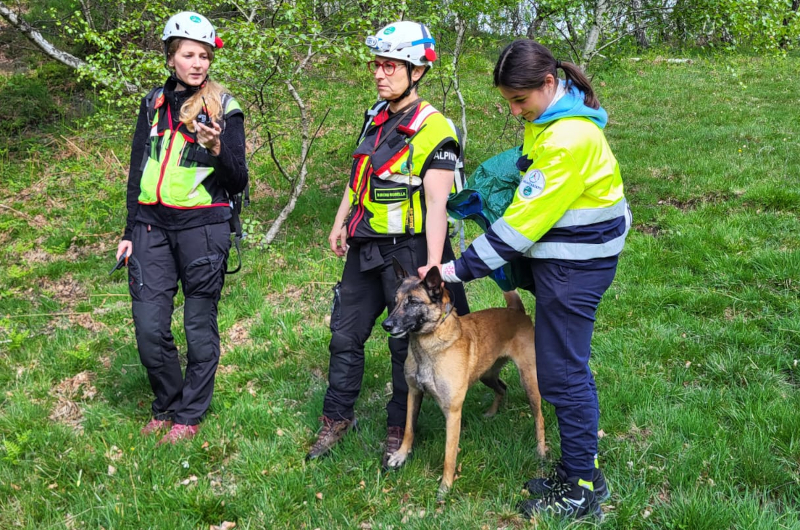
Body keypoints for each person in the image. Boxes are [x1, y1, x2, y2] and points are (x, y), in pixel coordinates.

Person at [423, 39, 631, 519]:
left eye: (520, 100)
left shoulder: (568, 138)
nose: (516, 111)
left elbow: (520, 227)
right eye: (508, 103)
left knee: (564, 374)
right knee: (563, 367)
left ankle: (580, 489)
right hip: (570, 264)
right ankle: (580, 470)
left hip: (575, 271)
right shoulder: (549, 123)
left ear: (549, 83)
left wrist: (453, 269)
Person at [306, 21, 469, 468]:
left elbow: (438, 204)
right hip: (365, 245)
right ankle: (336, 419)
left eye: (391, 65)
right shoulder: (375, 114)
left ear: (417, 71)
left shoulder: (435, 128)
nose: (380, 73)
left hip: (409, 251)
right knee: (345, 333)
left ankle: (400, 427)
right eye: (377, 64)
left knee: (404, 343)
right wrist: (341, 221)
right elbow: (359, 177)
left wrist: (432, 268)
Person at [116, 11, 248, 445]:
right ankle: (167, 402)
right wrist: (128, 230)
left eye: (205, 56)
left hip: (204, 228)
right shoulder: (153, 102)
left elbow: (238, 179)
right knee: (150, 326)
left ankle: (189, 413)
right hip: (151, 228)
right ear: (171, 57)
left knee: (197, 325)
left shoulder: (224, 106)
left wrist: (215, 147)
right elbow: (139, 167)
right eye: (189, 54)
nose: (198, 63)